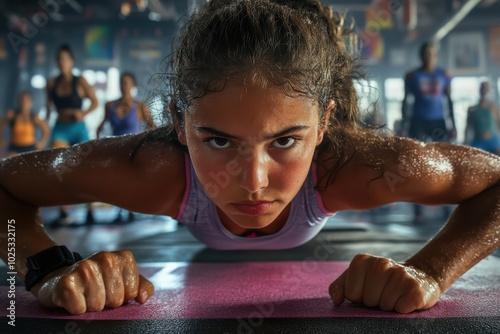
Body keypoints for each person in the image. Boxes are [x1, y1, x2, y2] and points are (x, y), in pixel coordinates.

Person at [0, 0, 499, 316]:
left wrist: (431, 271)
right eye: (218, 141)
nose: (254, 181)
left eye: (284, 141)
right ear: (179, 124)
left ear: (324, 124)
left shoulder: (348, 166)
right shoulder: (153, 169)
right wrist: (46, 267)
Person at [401, 42, 457, 223]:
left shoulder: (444, 75)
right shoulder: (413, 76)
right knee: (416, 162)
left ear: (436, 56)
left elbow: (450, 101)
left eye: (432, 54)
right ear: (421, 56)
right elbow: (405, 101)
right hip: (418, 122)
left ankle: (446, 209)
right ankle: (418, 212)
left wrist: (453, 124)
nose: (429, 56)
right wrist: (404, 124)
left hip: (438, 122)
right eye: (426, 53)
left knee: (445, 162)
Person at [45, 44, 99, 226]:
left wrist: (82, 113)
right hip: (60, 127)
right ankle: (63, 211)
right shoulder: (51, 83)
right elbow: (48, 107)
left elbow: (95, 102)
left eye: (65, 59)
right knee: (58, 167)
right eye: (59, 59)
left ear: (71, 62)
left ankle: (90, 211)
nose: (62, 62)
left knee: (84, 169)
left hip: (78, 127)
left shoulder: (80, 81)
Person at [96, 71, 155, 223]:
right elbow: (100, 127)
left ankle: (131, 210)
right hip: (116, 150)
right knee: (117, 181)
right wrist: (98, 147)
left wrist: (147, 143)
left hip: (134, 149)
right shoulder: (110, 105)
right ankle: (120, 210)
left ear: (132, 85)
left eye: (126, 82)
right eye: (121, 82)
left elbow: (153, 127)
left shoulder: (140, 106)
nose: (124, 86)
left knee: (130, 181)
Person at [0, 91, 50, 157]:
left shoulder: (34, 117)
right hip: (14, 147)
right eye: (22, 100)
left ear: (31, 102)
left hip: (30, 147)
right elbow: (1, 126)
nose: (24, 102)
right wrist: (1, 140)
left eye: (27, 100)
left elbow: (46, 130)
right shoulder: (12, 115)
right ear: (19, 101)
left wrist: (42, 143)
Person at [465, 81, 500, 155]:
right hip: (478, 141)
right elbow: (467, 127)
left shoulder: (494, 108)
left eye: (486, 89)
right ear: (479, 90)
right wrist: (465, 142)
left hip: (493, 141)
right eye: (482, 88)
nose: (484, 91)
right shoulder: (472, 109)